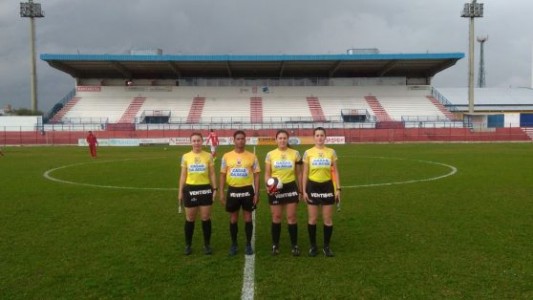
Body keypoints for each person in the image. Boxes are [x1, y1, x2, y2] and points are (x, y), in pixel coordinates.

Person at [219, 130, 260, 256]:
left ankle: (248, 244)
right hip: (233, 190)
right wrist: (221, 191)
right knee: (233, 218)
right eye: (238, 138)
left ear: (245, 140)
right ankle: (234, 244)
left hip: (247, 190)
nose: (240, 140)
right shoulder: (226, 156)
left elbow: (257, 175)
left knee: (248, 218)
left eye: (242, 138)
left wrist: (257, 193)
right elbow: (222, 174)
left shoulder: (252, 156)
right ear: (234, 140)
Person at [302, 127, 341, 257]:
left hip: (327, 187)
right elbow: (305, 173)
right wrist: (304, 190)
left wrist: (338, 189)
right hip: (312, 187)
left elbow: (335, 171)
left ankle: (326, 247)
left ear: (325, 137)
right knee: (312, 219)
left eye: (322, 135)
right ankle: (313, 246)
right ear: (314, 137)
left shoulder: (331, 152)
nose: (319, 137)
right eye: (317, 135)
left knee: (328, 219)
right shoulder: (308, 153)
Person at [264, 130, 302, 256]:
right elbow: (267, 174)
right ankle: (275, 245)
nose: (282, 140)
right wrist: (269, 185)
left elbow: (299, 174)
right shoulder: (270, 155)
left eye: (284, 138)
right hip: (275, 188)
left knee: (291, 217)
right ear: (276, 140)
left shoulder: (295, 154)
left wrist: (300, 189)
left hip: (290, 187)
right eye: (280, 138)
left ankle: (294, 245)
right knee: (276, 217)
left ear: (287, 139)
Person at [178, 132, 217, 255]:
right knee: (190, 218)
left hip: (205, 189)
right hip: (190, 189)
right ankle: (188, 245)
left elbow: (212, 173)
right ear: (191, 142)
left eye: (198, 140)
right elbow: (183, 175)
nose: (196, 143)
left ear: (202, 141)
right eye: (194, 141)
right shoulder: (185, 157)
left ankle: (207, 245)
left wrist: (214, 188)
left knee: (205, 218)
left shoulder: (208, 156)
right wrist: (180, 192)